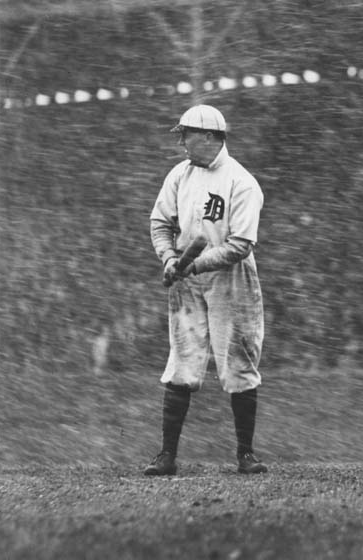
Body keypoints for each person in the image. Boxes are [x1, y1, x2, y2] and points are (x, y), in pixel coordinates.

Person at [144, 104, 268, 476]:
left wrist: (192, 264)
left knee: (238, 365)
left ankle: (245, 454)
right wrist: (168, 258)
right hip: (185, 280)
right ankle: (167, 456)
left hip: (231, 281)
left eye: (187, 134)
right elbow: (159, 222)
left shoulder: (241, 182)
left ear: (211, 136)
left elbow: (240, 245)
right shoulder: (179, 176)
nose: (182, 141)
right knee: (182, 362)